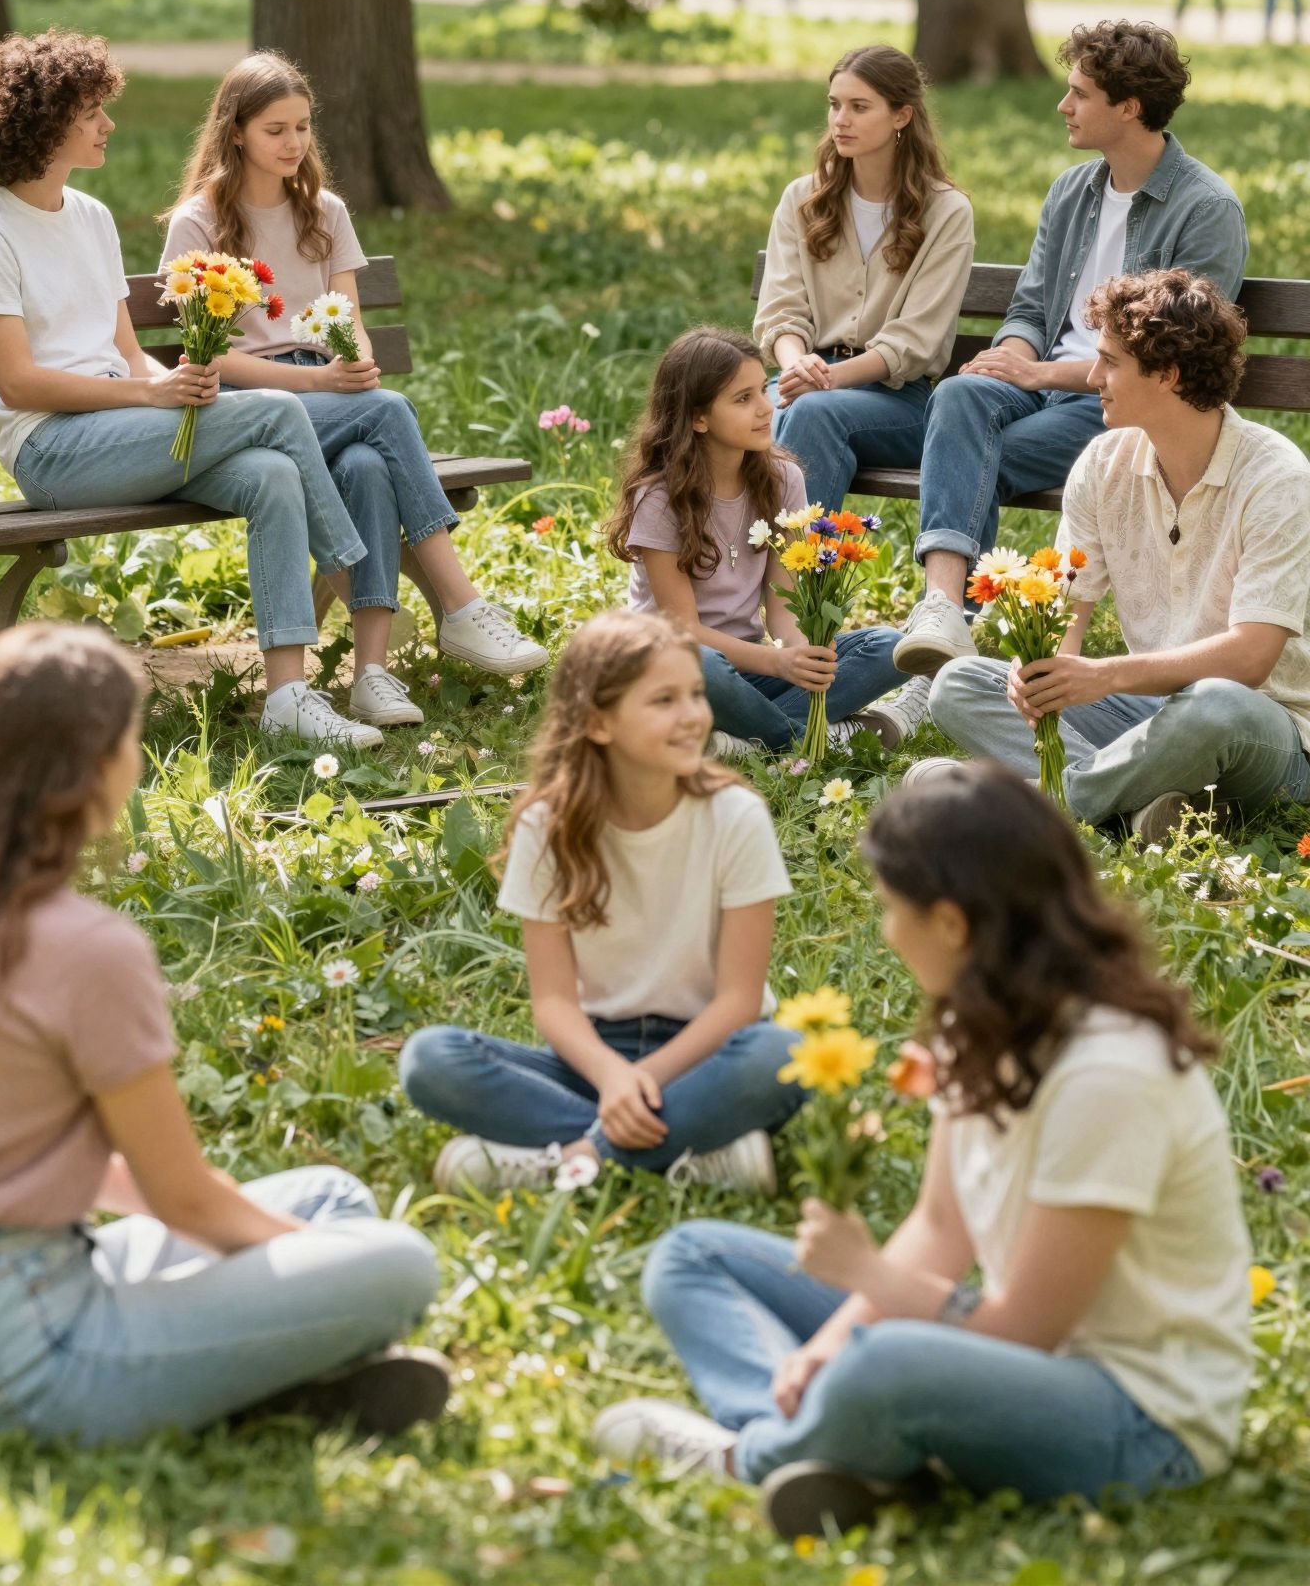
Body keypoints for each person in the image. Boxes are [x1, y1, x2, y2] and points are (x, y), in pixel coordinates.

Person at [594, 764, 1254, 1543]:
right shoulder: (972, 1024)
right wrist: (831, 1347)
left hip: (1138, 1415)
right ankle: (837, 1440)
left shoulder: (1109, 1075)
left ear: (951, 924)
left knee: (891, 1361)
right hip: (998, 1355)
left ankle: (750, 1455)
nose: (884, 930)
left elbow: (1029, 1331)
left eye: (890, 909)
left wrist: (866, 1282)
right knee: (693, 1258)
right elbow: (942, 1227)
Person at [0, 625, 448, 1444]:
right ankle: (255, 1373)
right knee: (395, 1260)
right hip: (6, 1350)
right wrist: (314, 1263)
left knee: (336, 1200)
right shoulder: (89, 949)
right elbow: (182, 1197)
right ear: (93, 771)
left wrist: (303, 1254)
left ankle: (246, 1369)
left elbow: (22, 1157)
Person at [0, 30, 380, 750]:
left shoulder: (89, 217)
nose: (108, 125)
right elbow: (17, 383)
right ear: (45, 122)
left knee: (271, 473)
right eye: (92, 113)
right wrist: (149, 397)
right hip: (52, 451)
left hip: (127, 428)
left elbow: (123, 350)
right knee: (272, 409)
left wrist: (169, 379)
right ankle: (360, 575)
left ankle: (288, 697)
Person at [160, 52, 547, 728]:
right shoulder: (198, 224)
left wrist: (357, 362)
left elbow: (351, 321)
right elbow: (212, 359)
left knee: (369, 464)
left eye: (303, 128)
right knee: (390, 411)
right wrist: (323, 379)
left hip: (332, 390)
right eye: (275, 129)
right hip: (258, 403)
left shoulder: (325, 211)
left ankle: (372, 674)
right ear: (237, 132)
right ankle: (458, 604)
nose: (292, 144)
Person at [399, 609, 804, 1195]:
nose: (692, 715)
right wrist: (614, 1078)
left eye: (695, 694)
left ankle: (571, 1158)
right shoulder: (549, 826)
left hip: (709, 1053)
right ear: (597, 722)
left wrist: (641, 1081)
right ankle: (694, 1153)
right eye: (663, 700)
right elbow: (556, 1004)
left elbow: (739, 1003)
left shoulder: (735, 816)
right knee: (430, 1060)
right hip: (594, 1057)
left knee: (782, 1054)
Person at [892, 20, 1247, 680]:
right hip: (1043, 383)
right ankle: (942, 611)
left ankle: (935, 663)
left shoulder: (1205, 208)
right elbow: (1030, 308)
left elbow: (1177, 357)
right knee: (962, 394)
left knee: (971, 457)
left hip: (1120, 408)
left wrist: (1040, 371)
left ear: (1129, 106)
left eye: (1079, 94)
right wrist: (1011, 359)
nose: (1063, 106)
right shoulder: (1072, 192)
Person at [919, 269, 1310, 841]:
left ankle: (1032, 807)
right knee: (959, 685)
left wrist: (1102, 676)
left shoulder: (1278, 478)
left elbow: (1251, 658)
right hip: (1147, 716)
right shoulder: (1103, 464)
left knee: (1213, 706)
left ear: (1168, 376)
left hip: (1261, 728)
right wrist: (1042, 677)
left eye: (1110, 362)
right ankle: (1140, 809)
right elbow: (1065, 616)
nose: (1093, 377)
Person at [606, 327, 920, 759]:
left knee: (888, 647)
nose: (765, 408)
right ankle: (814, 740)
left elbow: (783, 602)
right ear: (698, 417)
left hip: (750, 667)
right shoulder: (660, 498)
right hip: (675, 668)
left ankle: (742, 741)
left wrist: (799, 653)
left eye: (762, 392)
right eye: (743, 399)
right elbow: (681, 630)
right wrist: (776, 663)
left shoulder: (781, 478)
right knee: (700, 662)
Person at [755, 43, 974, 532]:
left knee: (806, 416)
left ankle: (795, 591)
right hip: (804, 382)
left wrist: (823, 382)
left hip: (897, 400)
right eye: (834, 105)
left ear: (901, 115)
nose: (841, 121)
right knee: (727, 420)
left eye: (859, 107)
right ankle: (727, 591)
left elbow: (914, 343)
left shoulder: (946, 212)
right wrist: (798, 365)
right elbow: (781, 312)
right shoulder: (803, 199)